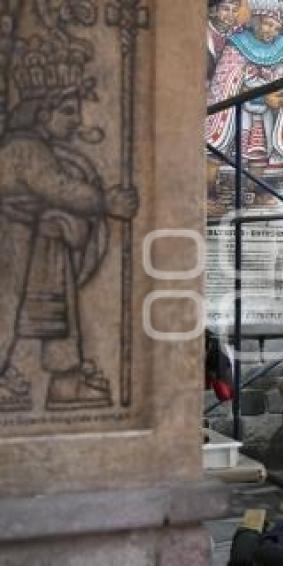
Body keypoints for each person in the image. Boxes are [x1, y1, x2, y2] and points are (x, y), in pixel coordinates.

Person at [0, 37, 139, 411]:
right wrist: (105, 201)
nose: (76, 120)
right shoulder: (24, 147)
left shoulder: (40, 147)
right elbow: (56, 187)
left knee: (60, 317)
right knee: (6, 309)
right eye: (67, 111)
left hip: (42, 247)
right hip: (12, 245)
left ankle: (65, 381)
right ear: (42, 114)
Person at [206, 0, 283, 175]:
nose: (270, 31)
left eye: (276, 28)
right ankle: (211, 191)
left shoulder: (280, 46)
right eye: (267, 24)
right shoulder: (237, 43)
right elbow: (225, 81)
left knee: (259, 151)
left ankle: (255, 190)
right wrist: (260, 96)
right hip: (235, 113)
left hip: (263, 113)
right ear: (257, 21)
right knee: (218, 152)